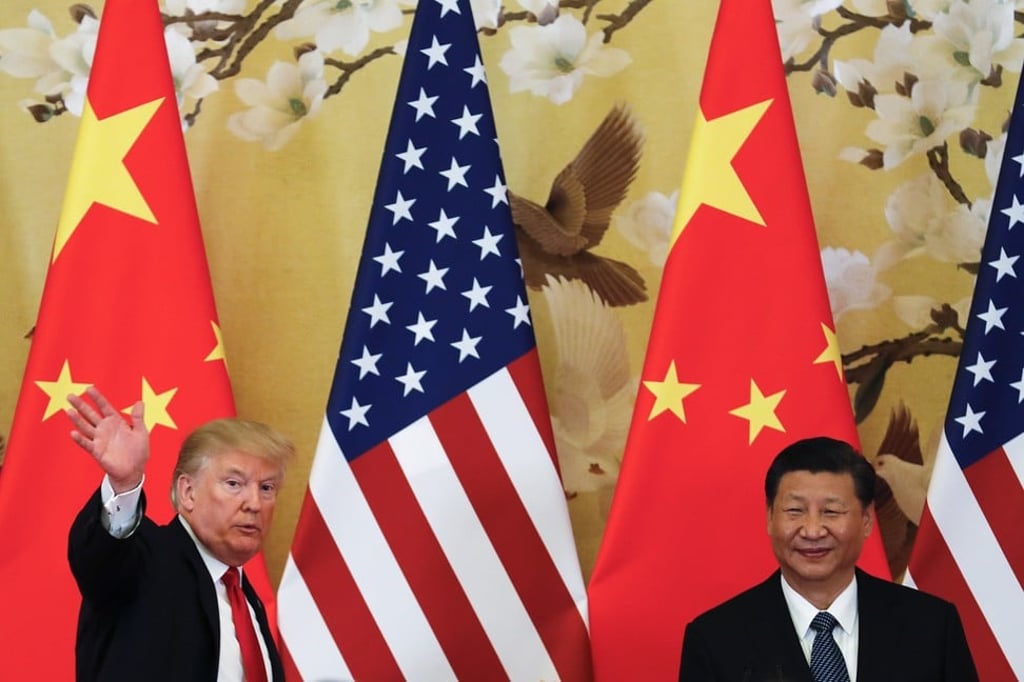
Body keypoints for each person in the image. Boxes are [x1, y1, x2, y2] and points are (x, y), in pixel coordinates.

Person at [678, 436, 977, 682]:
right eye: (795, 511)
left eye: (831, 512)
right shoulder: (715, 639)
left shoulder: (932, 627)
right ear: (770, 518)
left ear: (867, 520)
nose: (812, 530)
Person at [65, 386, 291, 681]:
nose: (254, 504)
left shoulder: (244, 597)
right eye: (234, 484)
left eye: (266, 488)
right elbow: (100, 559)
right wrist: (125, 486)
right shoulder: (146, 559)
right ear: (188, 492)